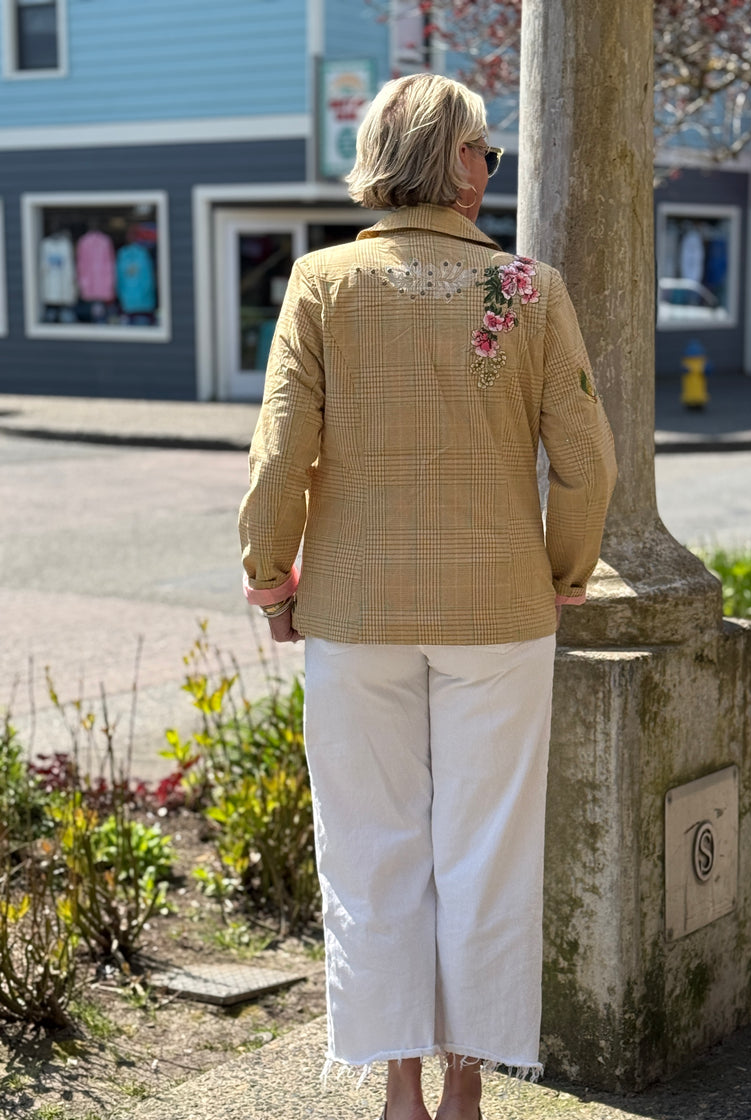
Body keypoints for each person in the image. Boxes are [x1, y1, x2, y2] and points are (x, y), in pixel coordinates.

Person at [238, 73, 617, 1120]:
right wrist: (562, 573)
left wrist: (273, 577)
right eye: (483, 150)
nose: (492, 168)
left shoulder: (319, 283)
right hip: (500, 614)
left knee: (371, 845)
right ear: (447, 161)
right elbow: (587, 459)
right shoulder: (532, 291)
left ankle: (397, 1085)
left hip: (354, 616)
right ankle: (464, 1089)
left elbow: (281, 454)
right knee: (487, 849)